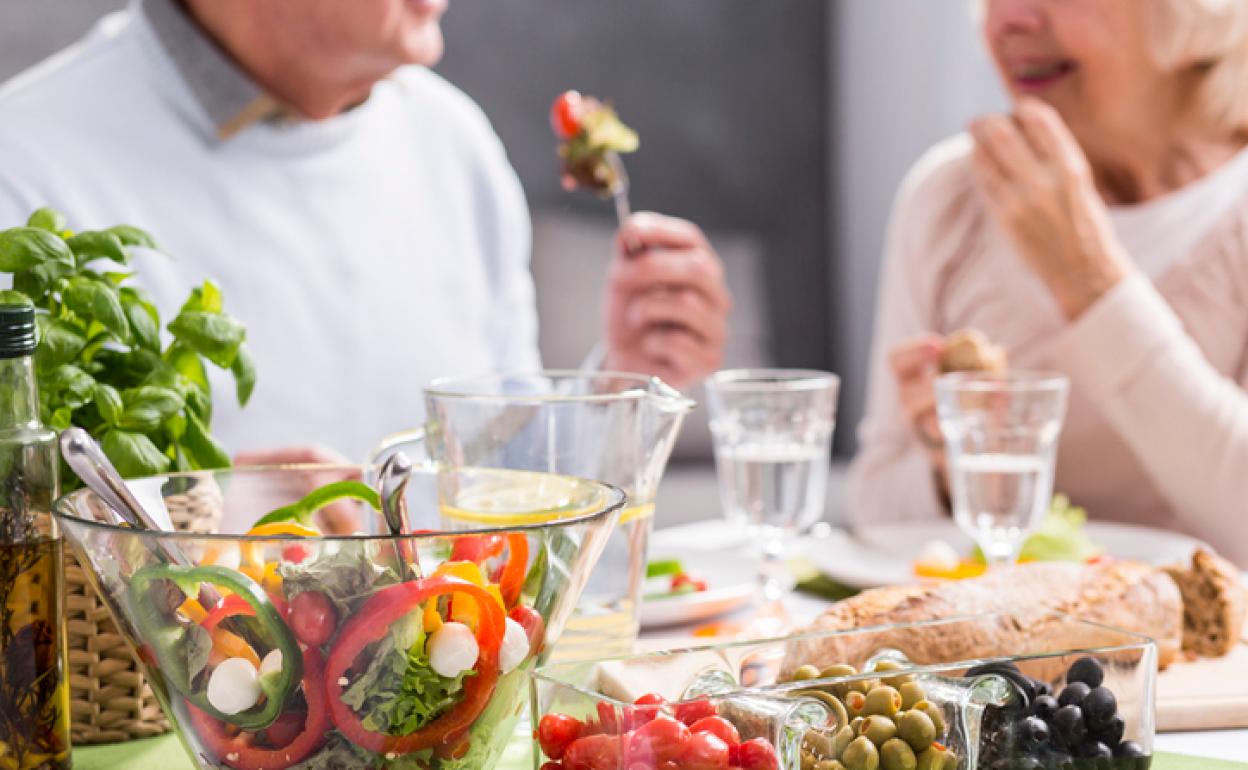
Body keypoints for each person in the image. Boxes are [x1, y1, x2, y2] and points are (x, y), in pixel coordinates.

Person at [0, 0, 730, 464]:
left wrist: (619, 385)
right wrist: (196, 525)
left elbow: (499, 479)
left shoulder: (452, 141)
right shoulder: (23, 166)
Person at [850, 0, 1248, 565]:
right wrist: (951, 465)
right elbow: (876, 511)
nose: (1006, 21)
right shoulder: (949, 197)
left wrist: (1090, 282)